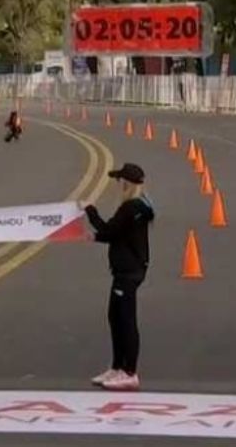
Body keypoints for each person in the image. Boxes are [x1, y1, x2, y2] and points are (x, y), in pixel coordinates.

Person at [84, 163, 154, 391]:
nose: (117, 185)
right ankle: (117, 367)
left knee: (125, 319)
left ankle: (130, 371)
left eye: (119, 181)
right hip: (126, 269)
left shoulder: (131, 208)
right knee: (115, 316)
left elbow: (109, 232)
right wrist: (94, 236)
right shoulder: (136, 207)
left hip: (129, 271)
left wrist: (90, 211)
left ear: (126, 183)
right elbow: (115, 234)